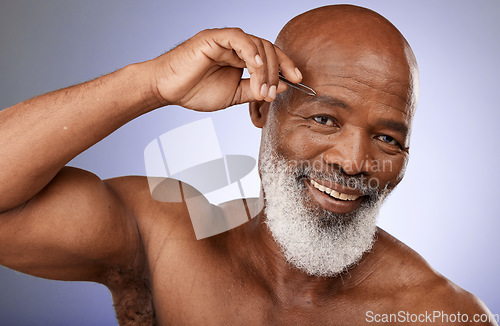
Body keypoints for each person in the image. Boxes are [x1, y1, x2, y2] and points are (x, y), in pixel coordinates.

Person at [0, 4, 496, 325]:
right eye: (325, 119)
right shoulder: (163, 240)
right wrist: (152, 83)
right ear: (262, 109)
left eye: (387, 137)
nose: (353, 161)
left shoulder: (440, 315)